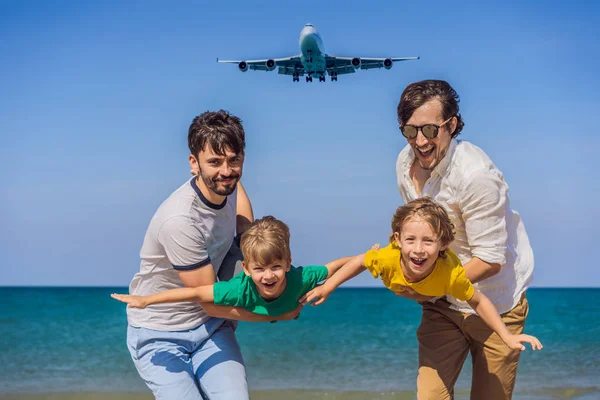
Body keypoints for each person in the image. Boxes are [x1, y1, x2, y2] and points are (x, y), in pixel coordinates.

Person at [123, 110, 290, 400]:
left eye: (234, 160)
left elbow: (245, 234)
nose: (226, 171)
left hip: (211, 329)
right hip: (160, 334)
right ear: (194, 163)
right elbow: (209, 300)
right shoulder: (180, 220)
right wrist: (276, 314)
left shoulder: (231, 187)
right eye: (214, 162)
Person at [394, 79, 535, 399]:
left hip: (497, 304)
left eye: (430, 130)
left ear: (452, 124)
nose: (420, 141)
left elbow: (489, 260)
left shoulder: (476, 176)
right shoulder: (404, 163)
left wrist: (423, 284)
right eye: (409, 130)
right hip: (442, 305)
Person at [300, 198, 542, 357]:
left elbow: (478, 301)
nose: (418, 249)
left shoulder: (451, 275)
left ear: (443, 244)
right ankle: (375, 250)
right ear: (397, 239)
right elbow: (358, 263)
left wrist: (506, 336)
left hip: (428, 286)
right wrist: (327, 287)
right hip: (393, 271)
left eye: (428, 241)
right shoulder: (389, 257)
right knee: (366, 258)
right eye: (411, 240)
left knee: (375, 260)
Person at [112, 216, 351, 317]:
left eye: (276, 267)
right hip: (234, 266)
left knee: (248, 233)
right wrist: (146, 300)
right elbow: (194, 293)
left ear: (288, 264)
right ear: (249, 270)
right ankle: (238, 193)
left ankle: (247, 220)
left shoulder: (301, 277)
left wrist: (328, 286)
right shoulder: (237, 290)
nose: (269, 276)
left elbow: (337, 265)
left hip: (254, 262)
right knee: (242, 234)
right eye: (260, 270)